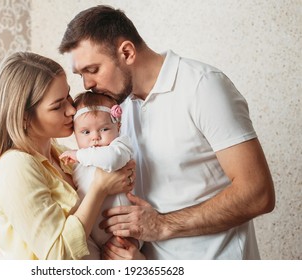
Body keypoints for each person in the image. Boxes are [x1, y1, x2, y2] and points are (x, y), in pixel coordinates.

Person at [58, 5, 276, 259]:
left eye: (92, 70)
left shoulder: (203, 87)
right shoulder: (115, 108)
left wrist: (162, 225)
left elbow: (258, 194)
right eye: (80, 74)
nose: (87, 84)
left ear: (126, 52)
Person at [0, 51, 136, 260]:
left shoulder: (63, 156)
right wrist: (100, 188)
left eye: (68, 96)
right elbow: (57, 256)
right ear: (25, 117)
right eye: (57, 105)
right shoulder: (15, 167)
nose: (72, 109)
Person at [59, 91, 143, 259]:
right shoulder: (77, 163)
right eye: (85, 132)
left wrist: (78, 155)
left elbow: (112, 160)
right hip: (92, 232)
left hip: (123, 231)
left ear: (117, 127)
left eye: (104, 129)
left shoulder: (119, 146)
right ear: (75, 134)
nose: (95, 137)